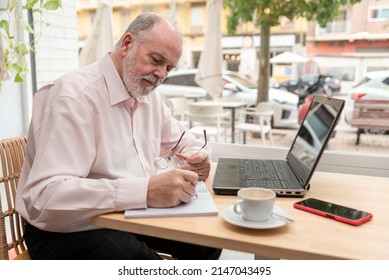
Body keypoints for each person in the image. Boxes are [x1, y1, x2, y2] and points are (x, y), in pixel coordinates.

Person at [15, 12, 222, 260]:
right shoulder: (73, 98)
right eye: (156, 60)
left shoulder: (146, 97)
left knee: (207, 239)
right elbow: (46, 197)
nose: (161, 75)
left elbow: (182, 140)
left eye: (169, 68)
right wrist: (146, 191)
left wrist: (198, 156)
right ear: (127, 44)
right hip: (63, 228)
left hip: (126, 215)